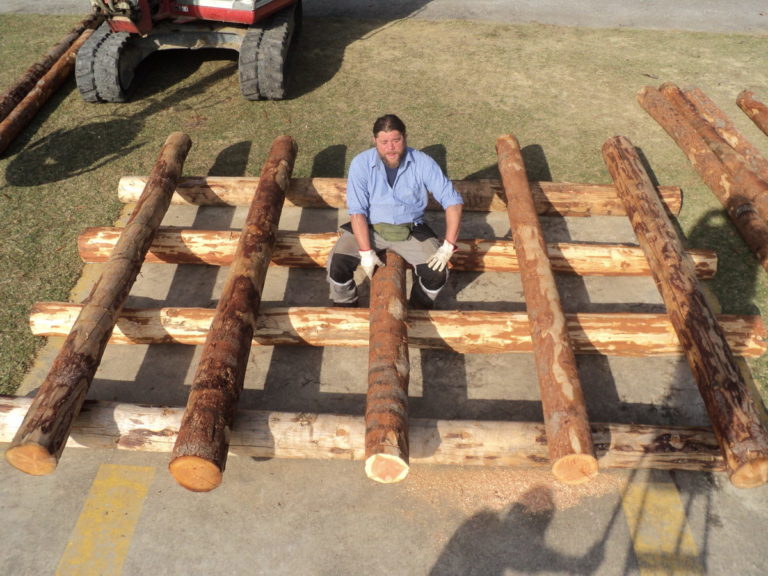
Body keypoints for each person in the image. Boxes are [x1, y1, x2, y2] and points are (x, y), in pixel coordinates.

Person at [327, 114, 464, 309]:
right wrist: (366, 252)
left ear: (405, 137)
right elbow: (357, 212)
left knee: (437, 273)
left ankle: (418, 309)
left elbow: (453, 202)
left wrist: (448, 247)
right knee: (337, 264)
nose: (390, 147)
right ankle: (345, 305)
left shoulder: (423, 162)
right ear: (375, 141)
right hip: (370, 226)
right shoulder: (361, 164)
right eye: (384, 142)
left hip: (411, 229)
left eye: (396, 140)